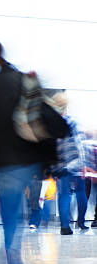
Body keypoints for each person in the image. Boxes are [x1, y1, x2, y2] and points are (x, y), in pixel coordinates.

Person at [0, 42, 56, 264]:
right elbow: (41, 116)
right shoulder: (25, 81)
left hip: (4, 161)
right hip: (29, 159)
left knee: (10, 214)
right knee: (23, 210)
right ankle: (14, 261)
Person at [50, 91, 88, 235]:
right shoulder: (72, 121)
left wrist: (54, 168)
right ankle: (81, 222)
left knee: (64, 194)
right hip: (75, 163)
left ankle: (65, 227)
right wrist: (83, 164)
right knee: (80, 192)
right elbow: (79, 144)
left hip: (61, 166)